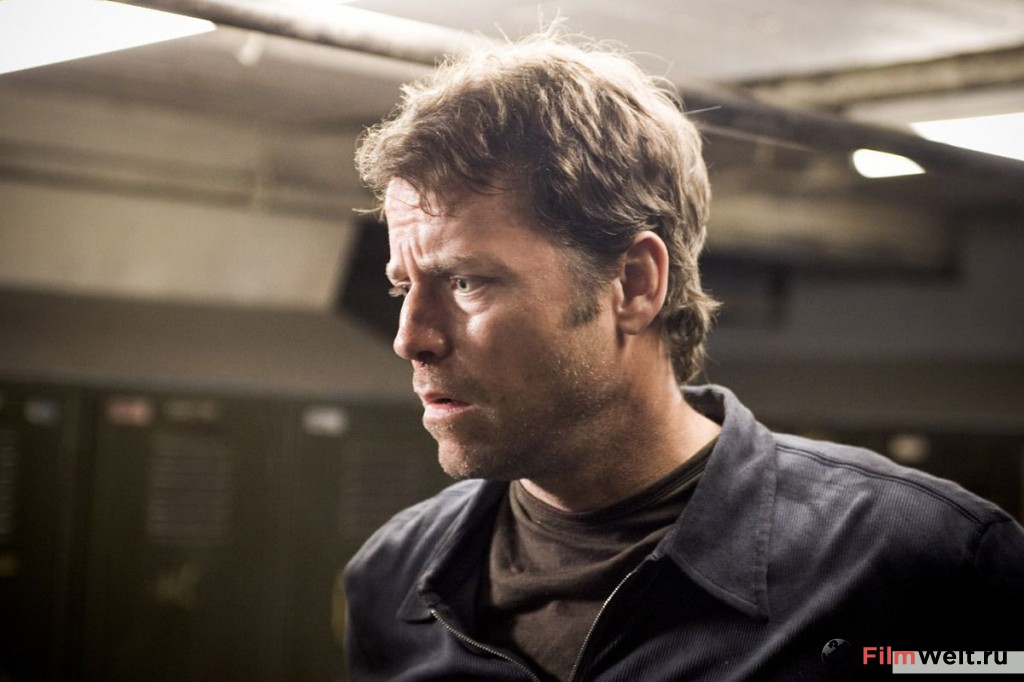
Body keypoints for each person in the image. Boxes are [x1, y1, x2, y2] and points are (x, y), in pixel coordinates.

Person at [343, 28, 1024, 681]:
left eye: (466, 282)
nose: (410, 337)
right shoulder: (394, 578)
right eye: (404, 287)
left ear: (634, 284)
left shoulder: (925, 565)